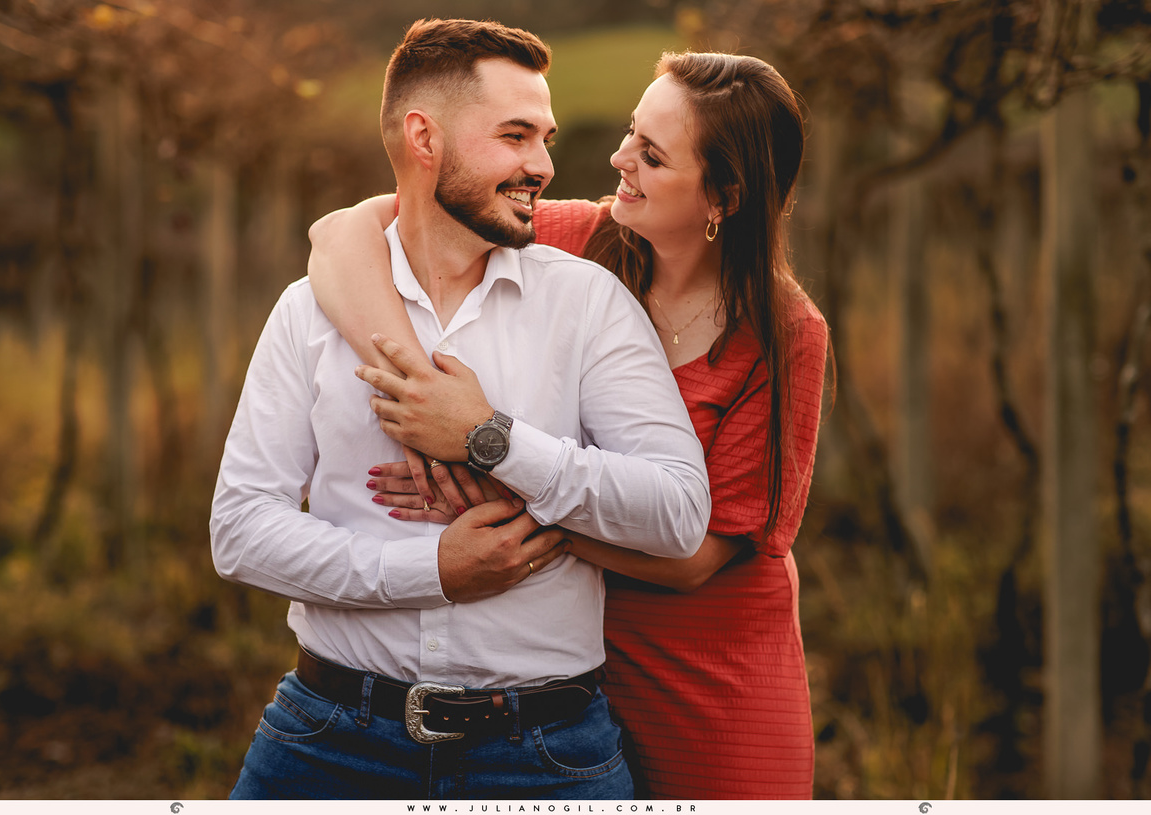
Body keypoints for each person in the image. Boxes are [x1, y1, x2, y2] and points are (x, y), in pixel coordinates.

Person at [210, 18, 712, 800]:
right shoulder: (308, 312)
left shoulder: (586, 303)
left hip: (544, 752)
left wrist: (494, 441)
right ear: (424, 137)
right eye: (515, 136)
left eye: (544, 138)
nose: (542, 165)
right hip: (329, 740)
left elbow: (678, 512)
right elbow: (240, 530)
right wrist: (430, 571)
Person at [308, 50, 829, 799]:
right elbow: (341, 234)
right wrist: (421, 390)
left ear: (724, 195)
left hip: (711, 671)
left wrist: (486, 473)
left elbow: (698, 556)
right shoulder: (571, 243)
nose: (618, 158)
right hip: (565, 661)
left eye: (651, 155)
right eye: (630, 133)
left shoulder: (786, 334)